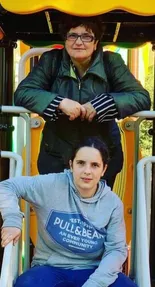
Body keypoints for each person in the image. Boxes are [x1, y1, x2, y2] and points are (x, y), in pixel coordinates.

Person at [0, 137, 138, 287]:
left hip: (93, 269)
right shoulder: (51, 185)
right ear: (71, 164)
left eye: (95, 165)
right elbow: (7, 186)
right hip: (51, 267)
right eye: (81, 163)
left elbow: (116, 249)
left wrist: (98, 282)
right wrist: (13, 219)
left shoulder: (112, 203)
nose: (87, 171)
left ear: (104, 169)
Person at [14, 16, 151, 189]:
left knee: (94, 211)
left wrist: (101, 105)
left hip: (100, 156)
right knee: (59, 210)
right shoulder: (51, 61)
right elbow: (23, 93)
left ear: (96, 43)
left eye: (86, 36)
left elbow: (141, 98)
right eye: (73, 35)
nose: (79, 42)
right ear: (65, 40)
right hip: (57, 154)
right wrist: (59, 102)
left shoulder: (111, 62)